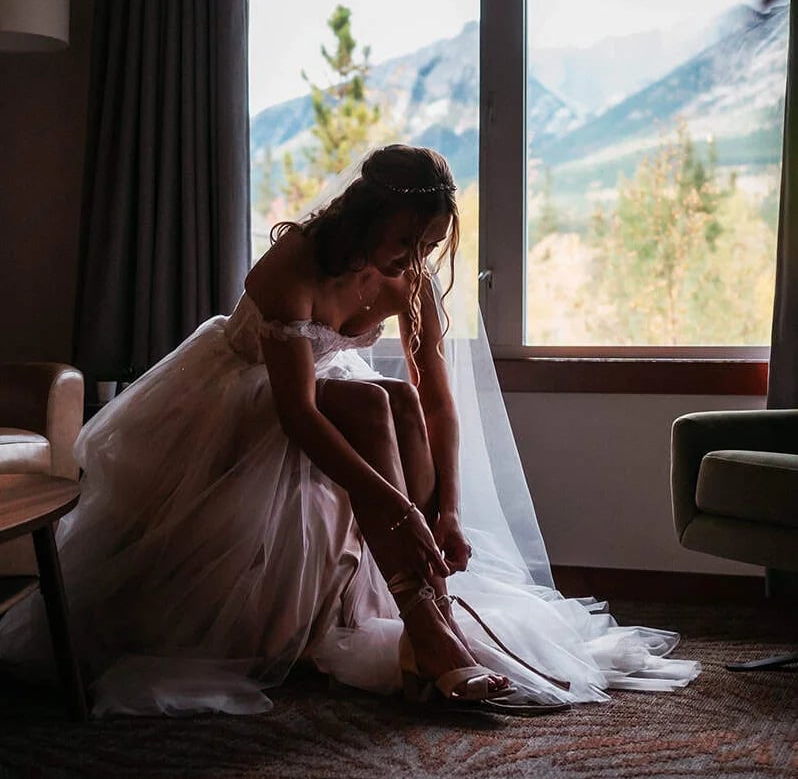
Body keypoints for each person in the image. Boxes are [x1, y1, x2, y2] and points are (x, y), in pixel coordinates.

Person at [0, 145, 699, 716]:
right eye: (405, 239)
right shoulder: (292, 266)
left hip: (331, 394)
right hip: (244, 397)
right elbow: (298, 413)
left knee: (395, 397)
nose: (413, 257)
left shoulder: (408, 279)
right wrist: (396, 506)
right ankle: (427, 624)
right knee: (368, 403)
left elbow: (438, 403)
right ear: (367, 217)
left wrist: (446, 510)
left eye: (428, 243)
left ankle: (427, 610)